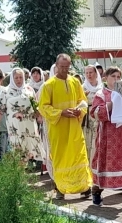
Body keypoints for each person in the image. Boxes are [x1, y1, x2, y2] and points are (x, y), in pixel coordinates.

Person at [39, 53, 92, 199]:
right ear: (56, 66)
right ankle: (60, 189)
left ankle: (85, 187)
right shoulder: (48, 85)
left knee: (79, 155)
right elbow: (43, 107)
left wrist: (79, 110)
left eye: (67, 67)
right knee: (60, 157)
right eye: (62, 67)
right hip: (58, 128)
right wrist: (61, 112)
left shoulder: (75, 82)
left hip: (74, 126)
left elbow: (83, 101)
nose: (64, 69)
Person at [90, 66, 122, 208]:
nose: (116, 80)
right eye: (113, 77)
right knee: (105, 163)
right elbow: (95, 113)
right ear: (106, 78)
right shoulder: (101, 94)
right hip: (108, 136)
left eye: (119, 77)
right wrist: (111, 104)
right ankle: (96, 192)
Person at [0, 68, 43, 164]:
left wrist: (39, 116)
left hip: (29, 127)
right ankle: (18, 176)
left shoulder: (29, 90)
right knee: (17, 154)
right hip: (15, 129)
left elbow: (36, 107)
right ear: (12, 78)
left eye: (21, 77)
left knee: (29, 154)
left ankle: (23, 174)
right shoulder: (5, 91)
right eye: (16, 78)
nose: (19, 80)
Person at [82, 65, 104, 161]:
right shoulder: (82, 87)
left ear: (96, 73)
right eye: (86, 73)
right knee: (88, 141)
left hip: (100, 116)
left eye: (90, 72)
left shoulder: (102, 87)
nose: (88, 75)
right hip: (88, 118)